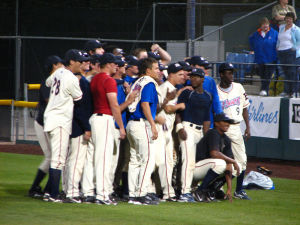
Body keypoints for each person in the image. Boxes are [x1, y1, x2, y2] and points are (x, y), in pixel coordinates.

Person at [43, 49, 84, 202]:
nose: (81, 64)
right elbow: (79, 99)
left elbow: (48, 83)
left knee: (56, 157)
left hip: (51, 118)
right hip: (60, 120)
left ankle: (49, 193)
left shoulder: (58, 72)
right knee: (58, 159)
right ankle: (53, 195)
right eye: (79, 61)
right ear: (71, 62)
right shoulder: (71, 78)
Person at [90, 53, 126, 205]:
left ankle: (91, 191)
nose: (117, 66)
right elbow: (114, 105)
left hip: (94, 119)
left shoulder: (95, 78)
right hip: (104, 119)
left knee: (95, 159)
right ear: (109, 64)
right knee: (104, 160)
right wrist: (122, 127)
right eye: (114, 64)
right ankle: (102, 195)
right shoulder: (108, 80)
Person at [28, 55, 64, 198]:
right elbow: (51, 101)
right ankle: (34, 188)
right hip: (42, 124)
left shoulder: (57, 81)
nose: (62, 66)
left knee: (55, 157)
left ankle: (48, 189)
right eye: (59, 64)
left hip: (50, 123)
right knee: (51, 157)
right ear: (53, 66)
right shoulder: (47, 82)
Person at [126, 57, 160, 205]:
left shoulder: (137, 82)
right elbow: (145, 104)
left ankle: (133, 194)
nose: (159, 71)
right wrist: (153, 124)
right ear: (148, 71)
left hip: (131, 124)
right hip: (141, 125)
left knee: (135, 161)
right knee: (147, 160)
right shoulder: (149, 83)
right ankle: (141, 194)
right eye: (156, 68)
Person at [175, 68, 212, 202]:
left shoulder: (208, 96)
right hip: (187, 128)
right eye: (192, 77)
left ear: (203, 79)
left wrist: (206, 137)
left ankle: (190, 189)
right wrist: (180, 128)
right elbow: (178, 111)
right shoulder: (187, 93)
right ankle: (184, 192)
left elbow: (207, 118)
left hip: (200, 131)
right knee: (188, 161)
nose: (193, 79)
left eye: (197, 77)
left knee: (196, 162)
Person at [217, 63, 251, 200]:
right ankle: (217, 188)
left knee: (242, 160)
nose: (231, 75)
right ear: (221, 74)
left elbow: (244, 108)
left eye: (232, 72)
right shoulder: (216, 90)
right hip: (221, 129)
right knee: (220, 162)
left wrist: (248, 127)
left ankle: (239, 190)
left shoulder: (238, 87)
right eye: (228, 72)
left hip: (236, 128)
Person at [64, 54, 93, 203]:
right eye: (83, 61)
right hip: (78, 126)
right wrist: (86, 127)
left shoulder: (76, 79)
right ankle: (72, 192)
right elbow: (80, 108)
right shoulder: (79, 81)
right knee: (76, 161)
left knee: (70, 160)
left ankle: (66, 190)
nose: (86, 63)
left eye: (87, 60)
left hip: (71, 124)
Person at [193, 113, 240, 203]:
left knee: (236, 167)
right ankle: (200, 191)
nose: (227, 124)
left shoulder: (226, 139)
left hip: (207, 169)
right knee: (220, 163)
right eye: (225, 121)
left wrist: (229, 189)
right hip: (195, 169)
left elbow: (229, 165)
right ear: (216, 123)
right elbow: (214, 153)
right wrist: (233, 161)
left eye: (228, 122)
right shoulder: (212, 133)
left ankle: (211, 190)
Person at [249, 17, 278, 96]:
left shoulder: (274, 33)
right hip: (260, 58)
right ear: (261, 26)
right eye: (263, 24)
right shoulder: (256, 34)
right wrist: (253, 49)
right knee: (262, 75)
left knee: (268, 75)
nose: (265, 26)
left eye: (266, 24)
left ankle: (264, 90)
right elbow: (251, 41)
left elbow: (278, 43)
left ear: (269, 25)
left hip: (271, 58)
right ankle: (264, 90)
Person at [276, 12, 300, 97]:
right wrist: (277, 46)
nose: (288, 20)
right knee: (285, 72)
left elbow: (299, 41)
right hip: (282, 52)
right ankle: (286, 91)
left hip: (290, 52)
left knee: (292, 72)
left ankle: (293, 91)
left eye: (290, 18)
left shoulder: (296, 29)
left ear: (293, 19)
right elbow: (279, 39)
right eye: (287, 18)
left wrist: (294, 47)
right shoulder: (281, 27)